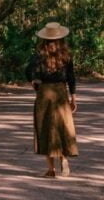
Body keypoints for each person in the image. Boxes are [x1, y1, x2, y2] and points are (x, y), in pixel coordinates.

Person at [26, 21, 78, 177]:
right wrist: (73, 97)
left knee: (46, 128)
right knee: (63, 127)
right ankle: (64, 159)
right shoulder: (66, 55)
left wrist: (34, 83)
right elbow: (71, 78)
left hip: (45, 93)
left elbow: (29, 71)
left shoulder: (39, 55)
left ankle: (51, 169)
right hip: (61, 92)